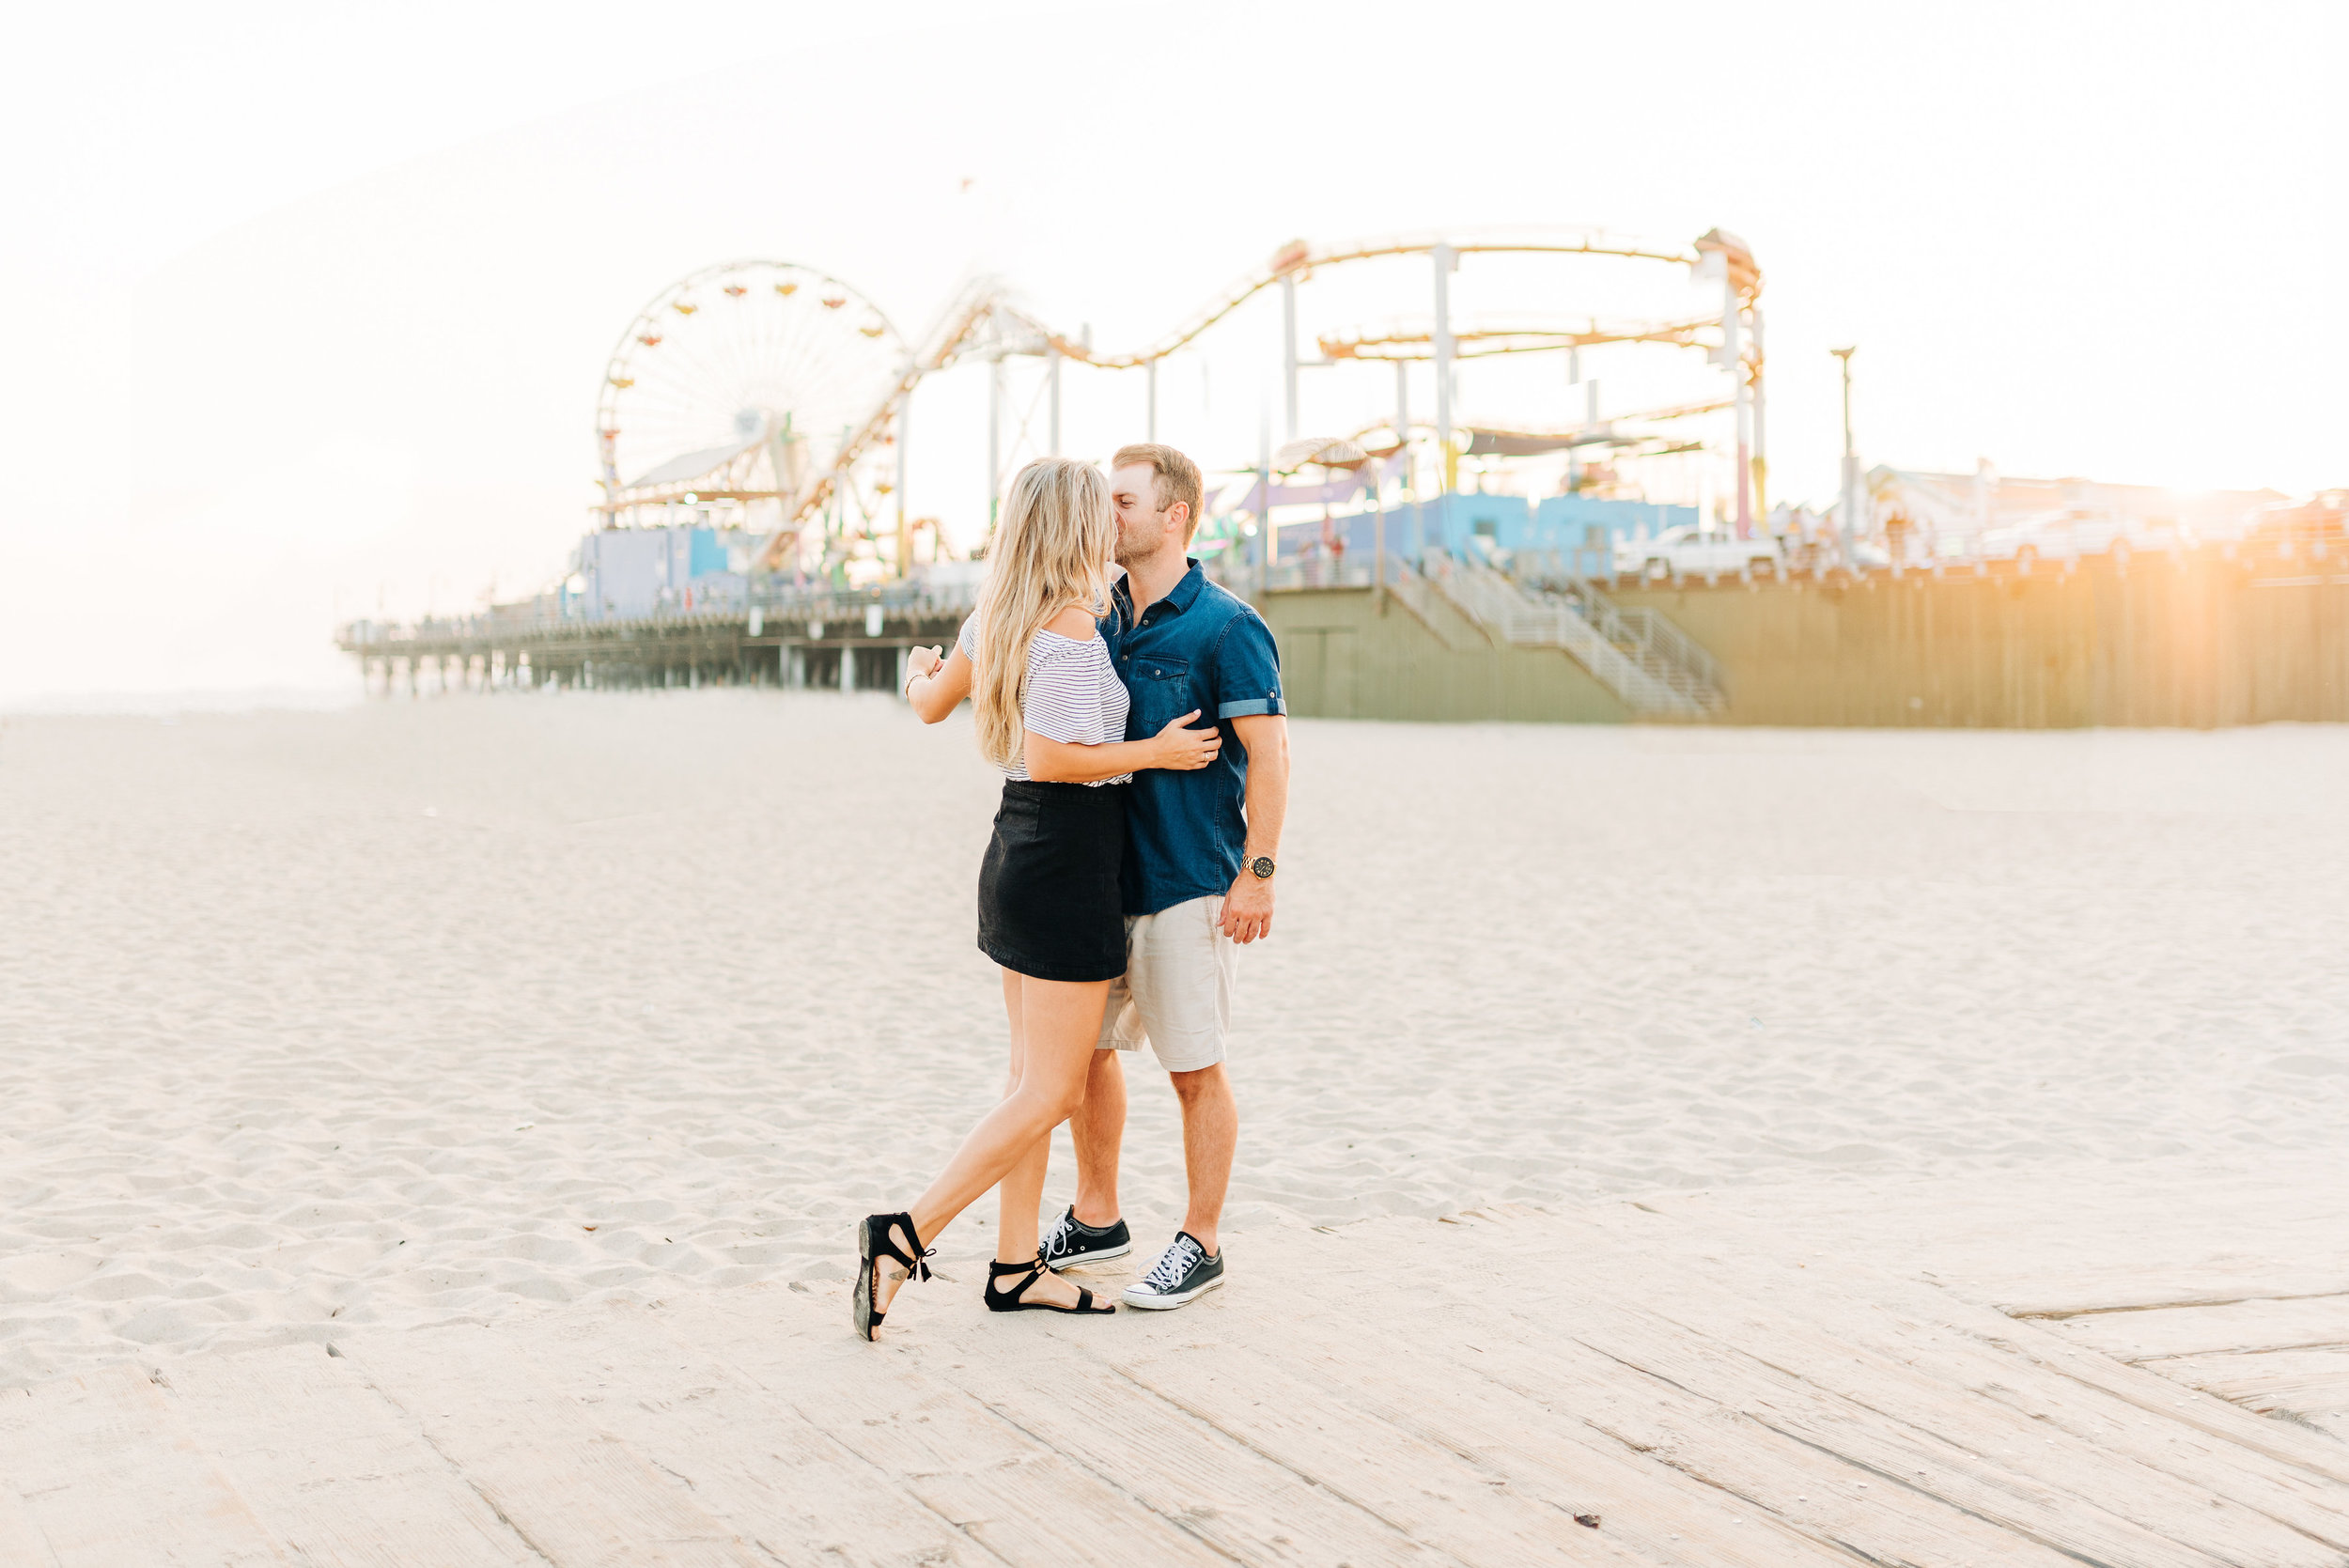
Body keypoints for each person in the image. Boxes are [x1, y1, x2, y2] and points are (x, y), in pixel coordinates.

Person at [853, 457, 1221, 1341]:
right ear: (1073, 526)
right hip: (1065, 858)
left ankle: (1018, 1266)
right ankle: (903, 1236)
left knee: (1029, 1081)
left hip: (1020, 849)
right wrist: (1156, 753)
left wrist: (916, 672)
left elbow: (930, 705)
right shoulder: (1065, 627)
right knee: (1050, 1090)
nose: (1114, 521)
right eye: (1103, 509)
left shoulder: (997, 617)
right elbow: (1058, 757)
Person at [1035, 442, 1290, 1311]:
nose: (1107, 516)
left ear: (1174, 515)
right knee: (1085, 1059)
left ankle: (1202, 1240)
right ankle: (1099, 1215)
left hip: (1186, 884)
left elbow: (1271, 754)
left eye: (1123, 502)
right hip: (1098, 883)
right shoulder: (1093, 615)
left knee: (1194, 1067)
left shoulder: (1226, 625)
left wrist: (1257, 873)